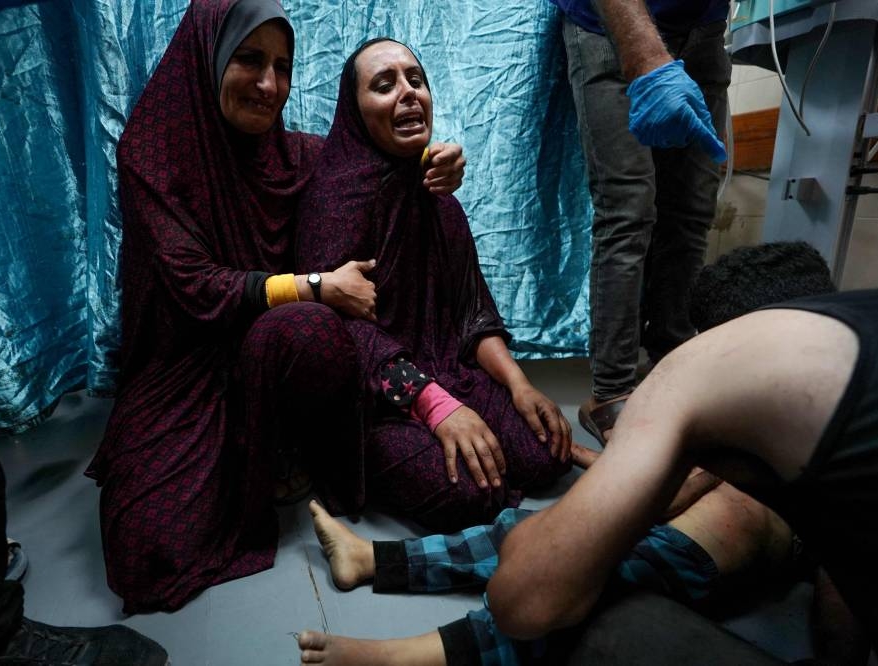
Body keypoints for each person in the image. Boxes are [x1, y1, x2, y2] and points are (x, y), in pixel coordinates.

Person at [84, 0, 467, 614]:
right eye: (250, 60)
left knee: (308, 333)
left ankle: (295, 446)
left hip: (277, 355)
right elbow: (197, 287)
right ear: (207, 59)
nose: (270, 85)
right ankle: (261, 458)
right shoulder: (152, 155)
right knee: (149, 553)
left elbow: (366, 163)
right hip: (186, 365)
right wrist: (316, 283)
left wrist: (433, 159)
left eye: (283, 67)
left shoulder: (296, 157)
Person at [293, 242, 835, 666]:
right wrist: (599, 481)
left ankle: (410, 656)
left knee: (616, 570)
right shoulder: (743, 385)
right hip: (732, 488)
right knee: (561, 530)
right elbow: (676, 477)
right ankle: (376, 559)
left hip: (768, 527)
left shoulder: (839, 412)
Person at [0, 3, 168, 664]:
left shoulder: (309, 160)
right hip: (181, 390)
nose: (271, 86)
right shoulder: (168, 156)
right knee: (153, 541)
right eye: (250, 62)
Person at [487, 287, 878, 661]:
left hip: (677, 545)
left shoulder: (706, 367)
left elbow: (524, 601)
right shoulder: (866, 324)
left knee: (604, 620)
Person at [293, 38, 571, 533]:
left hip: (446, 370)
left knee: (545, 455)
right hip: (372, 402)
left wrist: (519, 385)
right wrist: (436, 407)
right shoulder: (332, 198)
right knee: (471, 494)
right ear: (355, 112)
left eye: (415, 80)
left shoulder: (438, 197)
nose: (408, 93)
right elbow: (335, 330)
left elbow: (472, 315)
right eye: (384, 85)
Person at [297, 447, 794, 666]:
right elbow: (655, 476)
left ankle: (398, 658)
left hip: (687, 555)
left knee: (571, 594)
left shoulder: (806, 466)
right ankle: (370, 558)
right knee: (525, 529)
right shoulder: (734, 423)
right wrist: (579, 455)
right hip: (658, 521)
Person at [553, 0, 732, 445]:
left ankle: (672, 370)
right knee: (627, 210)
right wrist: (647, 57)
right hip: (609, 23)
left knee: (691, 212)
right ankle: (612, 393)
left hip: (702, 27)